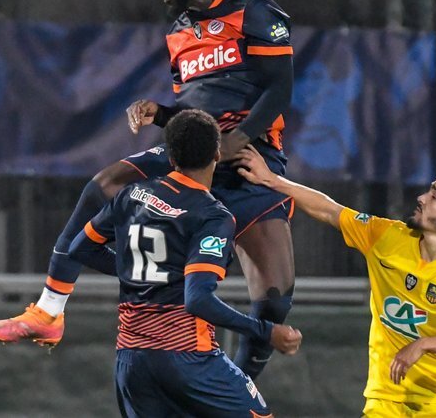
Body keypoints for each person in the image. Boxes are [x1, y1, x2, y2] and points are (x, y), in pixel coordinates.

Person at [0, 0, 298, 378]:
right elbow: (195, 110)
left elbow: (280, 88)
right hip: (193, 153)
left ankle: (238, 391)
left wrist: (239, 139)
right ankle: (48, 310)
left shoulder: (254, 10)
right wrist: (162, 114)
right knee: (103, 186)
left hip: (251, 158)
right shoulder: (178, 32)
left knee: (275, 302)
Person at [234, 146, 436, 417]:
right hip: (387, 403)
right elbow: (330, 211)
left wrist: (423, 345)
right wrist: (272, 180)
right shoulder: (388, 237)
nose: (421, 198)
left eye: (434, 196)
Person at [67, 109, 302, 417]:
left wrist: (144, 275)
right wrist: (266, 331)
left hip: (131, 362)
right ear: (217, 153)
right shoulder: (212, 215)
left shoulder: (132, 195)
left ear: (171, 157)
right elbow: (198, 300)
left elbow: (80, 248)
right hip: (188, 356)